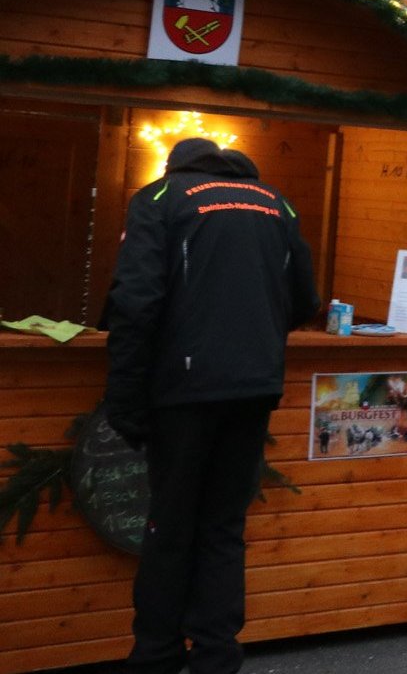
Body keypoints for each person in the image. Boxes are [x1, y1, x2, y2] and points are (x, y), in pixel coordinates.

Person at [104, 138, 321, 674]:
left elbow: (135, 302)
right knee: (223, 525)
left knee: (170, 526)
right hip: (255, 388)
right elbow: (305, 300)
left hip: (183, 391)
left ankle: (155, 655)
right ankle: (217, 655)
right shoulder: (276, 203)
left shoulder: (159, 199)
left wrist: (126, 399)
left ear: (174, 165)